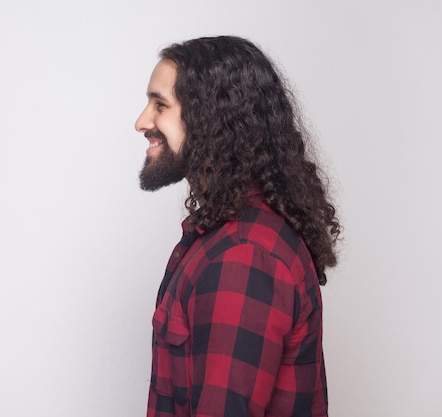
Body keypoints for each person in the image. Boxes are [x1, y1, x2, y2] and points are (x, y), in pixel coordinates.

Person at [135, 36, 341, 417]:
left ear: (209, 116)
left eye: (160, 105)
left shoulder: (243, 256)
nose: (142, 122)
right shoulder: (222, 235)